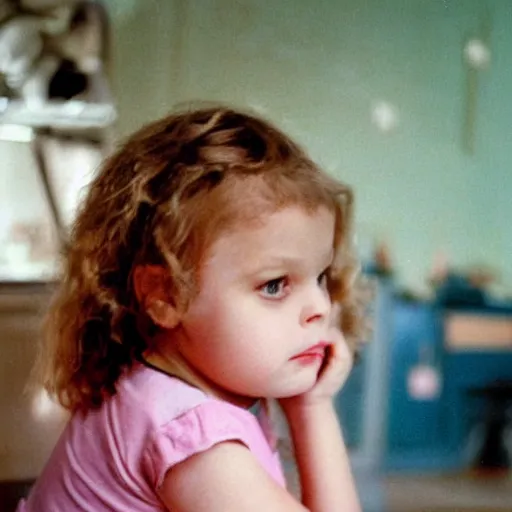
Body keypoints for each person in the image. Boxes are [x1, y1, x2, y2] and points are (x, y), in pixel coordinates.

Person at [18, 105, 364, 511]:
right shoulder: (195, 441)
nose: (321, 307)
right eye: (274, 285)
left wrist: (307, 400)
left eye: (321, 276)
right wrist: (313, 408)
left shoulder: (149, 389)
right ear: (165, 295)